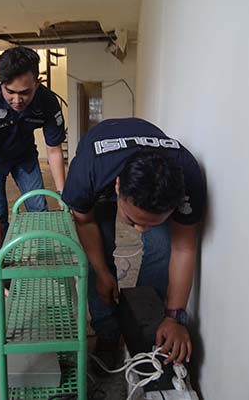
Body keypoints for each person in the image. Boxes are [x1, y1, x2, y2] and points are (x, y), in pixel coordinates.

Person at [61, 117, 205, 369]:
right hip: (102, 177)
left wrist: (174, 317)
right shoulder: (87, 172)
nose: (140, 230)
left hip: (143, 163)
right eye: (133, 219)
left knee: (161, 248)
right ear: (118, 187)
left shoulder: (188, 176)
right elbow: (85, 223)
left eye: (151, 222)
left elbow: (184, 248)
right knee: (99, 255)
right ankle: (108, 333)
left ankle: (147, 325)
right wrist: (103, 273)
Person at [0, 46, 66, 253]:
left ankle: (44, 258)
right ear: (0, 83)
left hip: (25, 156)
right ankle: (3, 266)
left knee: (38, 209)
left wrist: (62, 194)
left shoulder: (47, 101)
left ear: (37, 83)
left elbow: (54, 150)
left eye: (25, 93)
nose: (17, 100)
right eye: (10, 91)